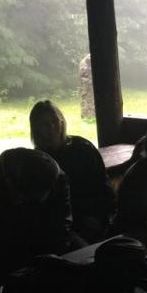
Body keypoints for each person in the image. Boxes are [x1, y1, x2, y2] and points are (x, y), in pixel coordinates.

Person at [0, 148, 74, 282]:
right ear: (9, 181)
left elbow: (61, 226)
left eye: (31, 199)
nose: (19, 201)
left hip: (42, 247)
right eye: (20, 195)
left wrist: (53, 261)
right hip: (1, 250)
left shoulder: (59, 181)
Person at [30, 100, 115, 244]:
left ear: (62, 121)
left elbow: (103, 186)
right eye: (44, 124)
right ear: (36, 128)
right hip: (63, 225)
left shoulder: (82, 148)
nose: (51, 127)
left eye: (54, 121)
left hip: (94, 217)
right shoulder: (39, 160)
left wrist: (100, 217)